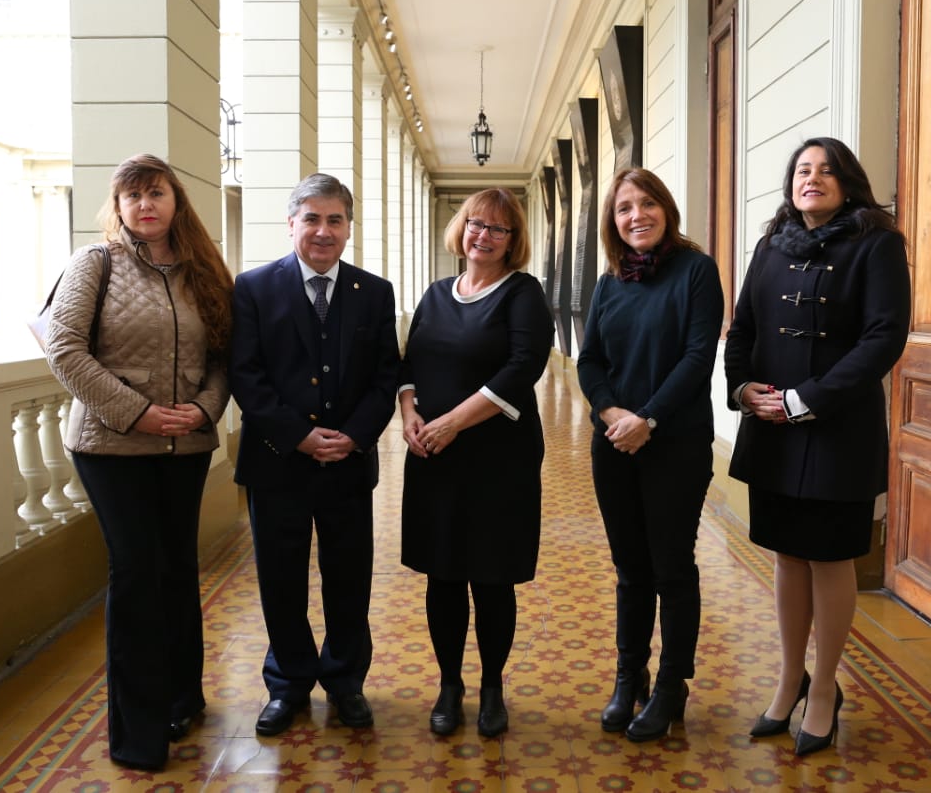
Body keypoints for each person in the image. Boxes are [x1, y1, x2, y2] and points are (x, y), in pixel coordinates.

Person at [45, 153, 234, 772]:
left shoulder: (204, 271)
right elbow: (65, 348)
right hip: (112, 446)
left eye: (156, 193)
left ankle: (183, 697)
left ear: (176, 201)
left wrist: (203, 412)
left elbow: (223, 359)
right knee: (136, 573)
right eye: (133, 197)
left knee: (178, 567)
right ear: (118, 207)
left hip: (185, 446)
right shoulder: (93, 264)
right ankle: (138, 730)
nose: (145, 205)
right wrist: (137, 413)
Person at [725, 137, 910, 756]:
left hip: (838, 430)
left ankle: (825, 688)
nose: (813, 179)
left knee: (830, 559)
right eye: (803, 170)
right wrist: (744, 387)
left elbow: (884, 337)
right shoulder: (770, 245)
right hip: (772, 428)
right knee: (785, 555)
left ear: (847, 182)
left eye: (826, 171)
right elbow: (742, 327)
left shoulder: (876, 243)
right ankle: (788, 679)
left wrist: (808, 398)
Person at [229, 173, 399, 736]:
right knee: (280, 579)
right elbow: (245, 376)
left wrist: (354, 435)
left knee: (349, 578)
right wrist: (297, 436)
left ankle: (346, 681)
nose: (323, 231)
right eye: (312, 219)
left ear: (349, 227)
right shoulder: (252, 288)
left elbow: (385, 377)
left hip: (348, 464)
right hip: (277, 461)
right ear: (291, 224)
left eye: (335, 220)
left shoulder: (374, 292)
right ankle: (289, 684)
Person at [399, 188, 554, 738]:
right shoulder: (437, 293)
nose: (482, 235)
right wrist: (411, 413)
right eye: (475, 224)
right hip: (434, 455)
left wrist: (452, 423)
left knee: (491, 576)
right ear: (460, 229)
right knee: (442, 575)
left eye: (497, 229)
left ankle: (491, 686)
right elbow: (410, 361)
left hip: (497, 459)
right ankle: (449, 685)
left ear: (513, 241)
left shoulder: (524, 293)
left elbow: (521, 368)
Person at [577, 168, 724, 742]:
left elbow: (696, 359)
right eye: (623, 209)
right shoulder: (610, 280)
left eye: (647, 204)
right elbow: (590, 360)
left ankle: (671, 685)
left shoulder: (696, 271)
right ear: (613, 222)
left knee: (672, 566)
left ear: (666, 207)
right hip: (613, 444)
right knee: (629, 568)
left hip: (676, 445)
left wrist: (649, 419)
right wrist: (613, 414)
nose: (636, 215)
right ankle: (628, 675)